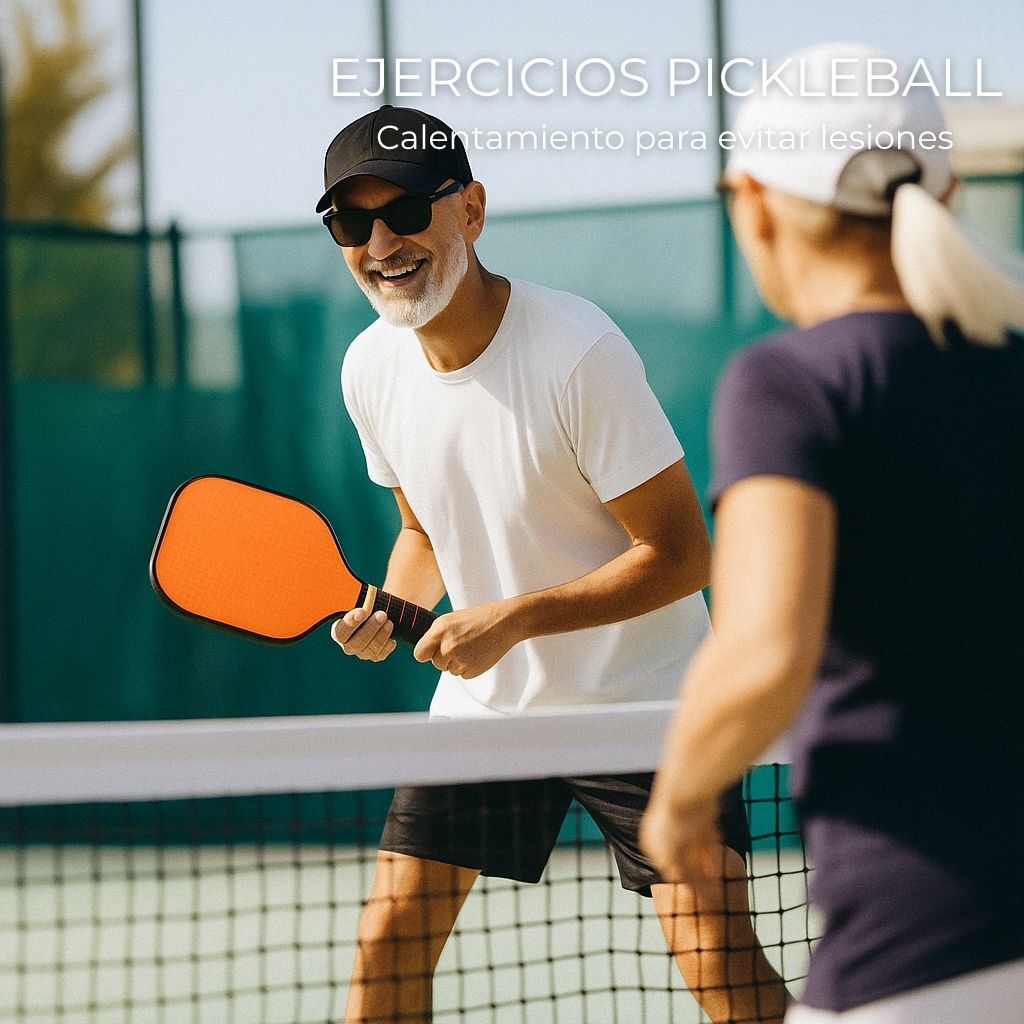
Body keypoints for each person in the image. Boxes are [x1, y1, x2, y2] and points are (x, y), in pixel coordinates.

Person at [318, 104, 788, 1023]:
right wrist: (392, 610)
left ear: (471, 210)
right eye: (351, 221)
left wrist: (516, 617)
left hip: (646, 709)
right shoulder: (368, 368)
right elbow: (423, 533)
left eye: (407, 210)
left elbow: (684, 555)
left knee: (717, 963)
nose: (382, 242)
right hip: (489, 714)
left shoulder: (579, 352)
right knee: (386, 945)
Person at [641, 42, 1024, 1024]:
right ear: (942, 192)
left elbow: (765, 648)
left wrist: (678, 803)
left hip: (926, 948)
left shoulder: (788, 382)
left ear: (752, 202)